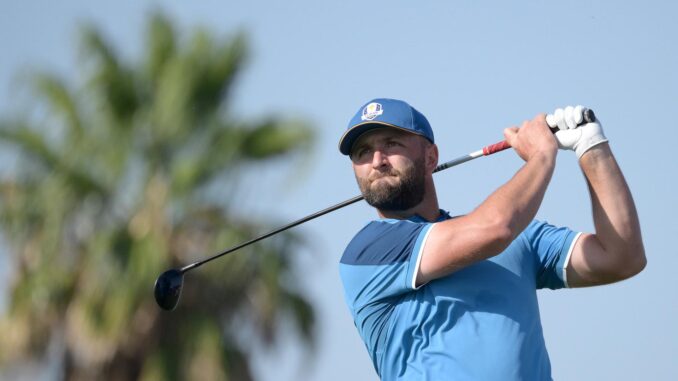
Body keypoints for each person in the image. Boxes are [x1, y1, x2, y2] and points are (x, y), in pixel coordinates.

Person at [337, 98, 646, 381]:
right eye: (363, 152)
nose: (377, 160)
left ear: (431, 158)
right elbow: (496, 228)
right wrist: (540, 155)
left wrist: (591, 147)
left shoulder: (522, 236)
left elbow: (620, 257)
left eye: (391, 144)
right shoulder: (367, 252)